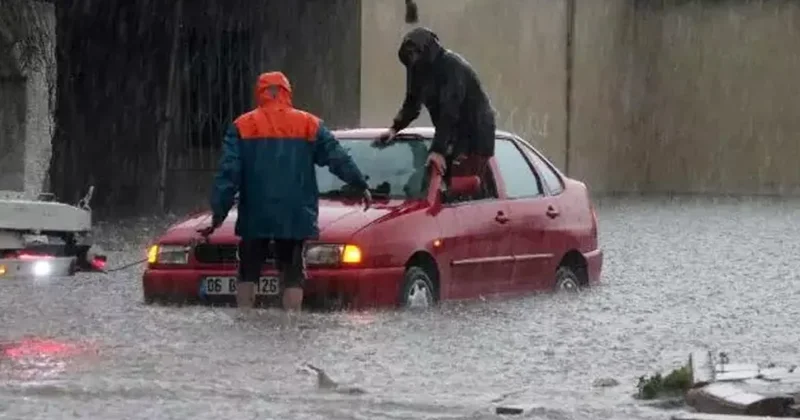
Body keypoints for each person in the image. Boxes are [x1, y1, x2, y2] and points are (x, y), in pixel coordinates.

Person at [197, 71, 371, 313]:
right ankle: (291, 324)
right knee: (292, 273)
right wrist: (360, 184)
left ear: (260, 93)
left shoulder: (242, 125)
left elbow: (229, 174)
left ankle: (245, 321)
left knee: (248, 270)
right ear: (287, 92)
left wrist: (218, 214)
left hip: (256, 212)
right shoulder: (309, 124)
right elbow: (337, 157)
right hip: (295, 212)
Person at [376, 27, 496, 182]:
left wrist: (438, 149)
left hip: (476, 134)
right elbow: (412, 103)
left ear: (427, 51)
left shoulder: (452, 66)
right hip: (451, 134)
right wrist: (394, 128)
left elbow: (450, 110)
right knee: (439, 178)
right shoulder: (416, 69)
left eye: (415, 53)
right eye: (409, 55)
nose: (412, 58)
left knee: (462, 183)